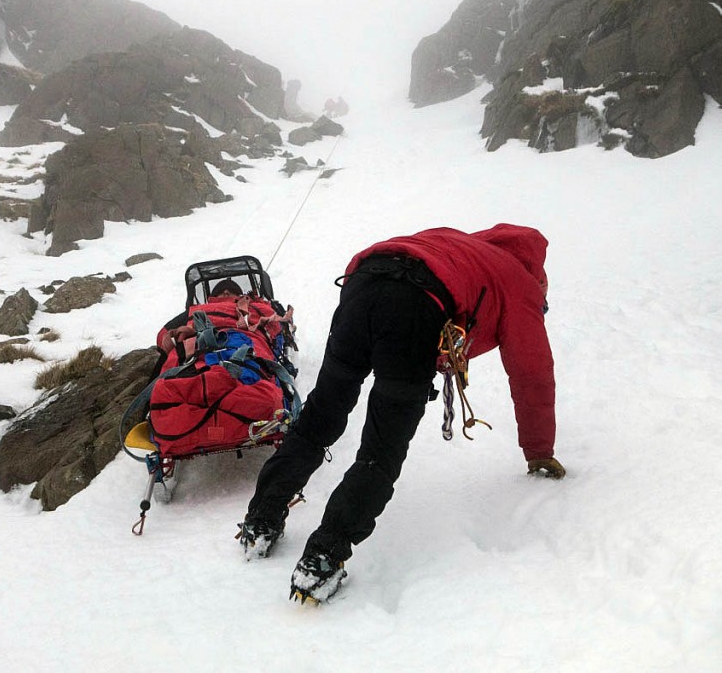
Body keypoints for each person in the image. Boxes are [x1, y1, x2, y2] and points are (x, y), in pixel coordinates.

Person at [238, 223, 565, 602]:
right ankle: (324, 557)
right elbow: (533, 373)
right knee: (381, 449)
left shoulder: (457, 243)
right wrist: (539, 448)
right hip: (415, 309)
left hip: (362, 285)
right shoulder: (518, 281)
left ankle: (260, 519)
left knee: (321, 415)